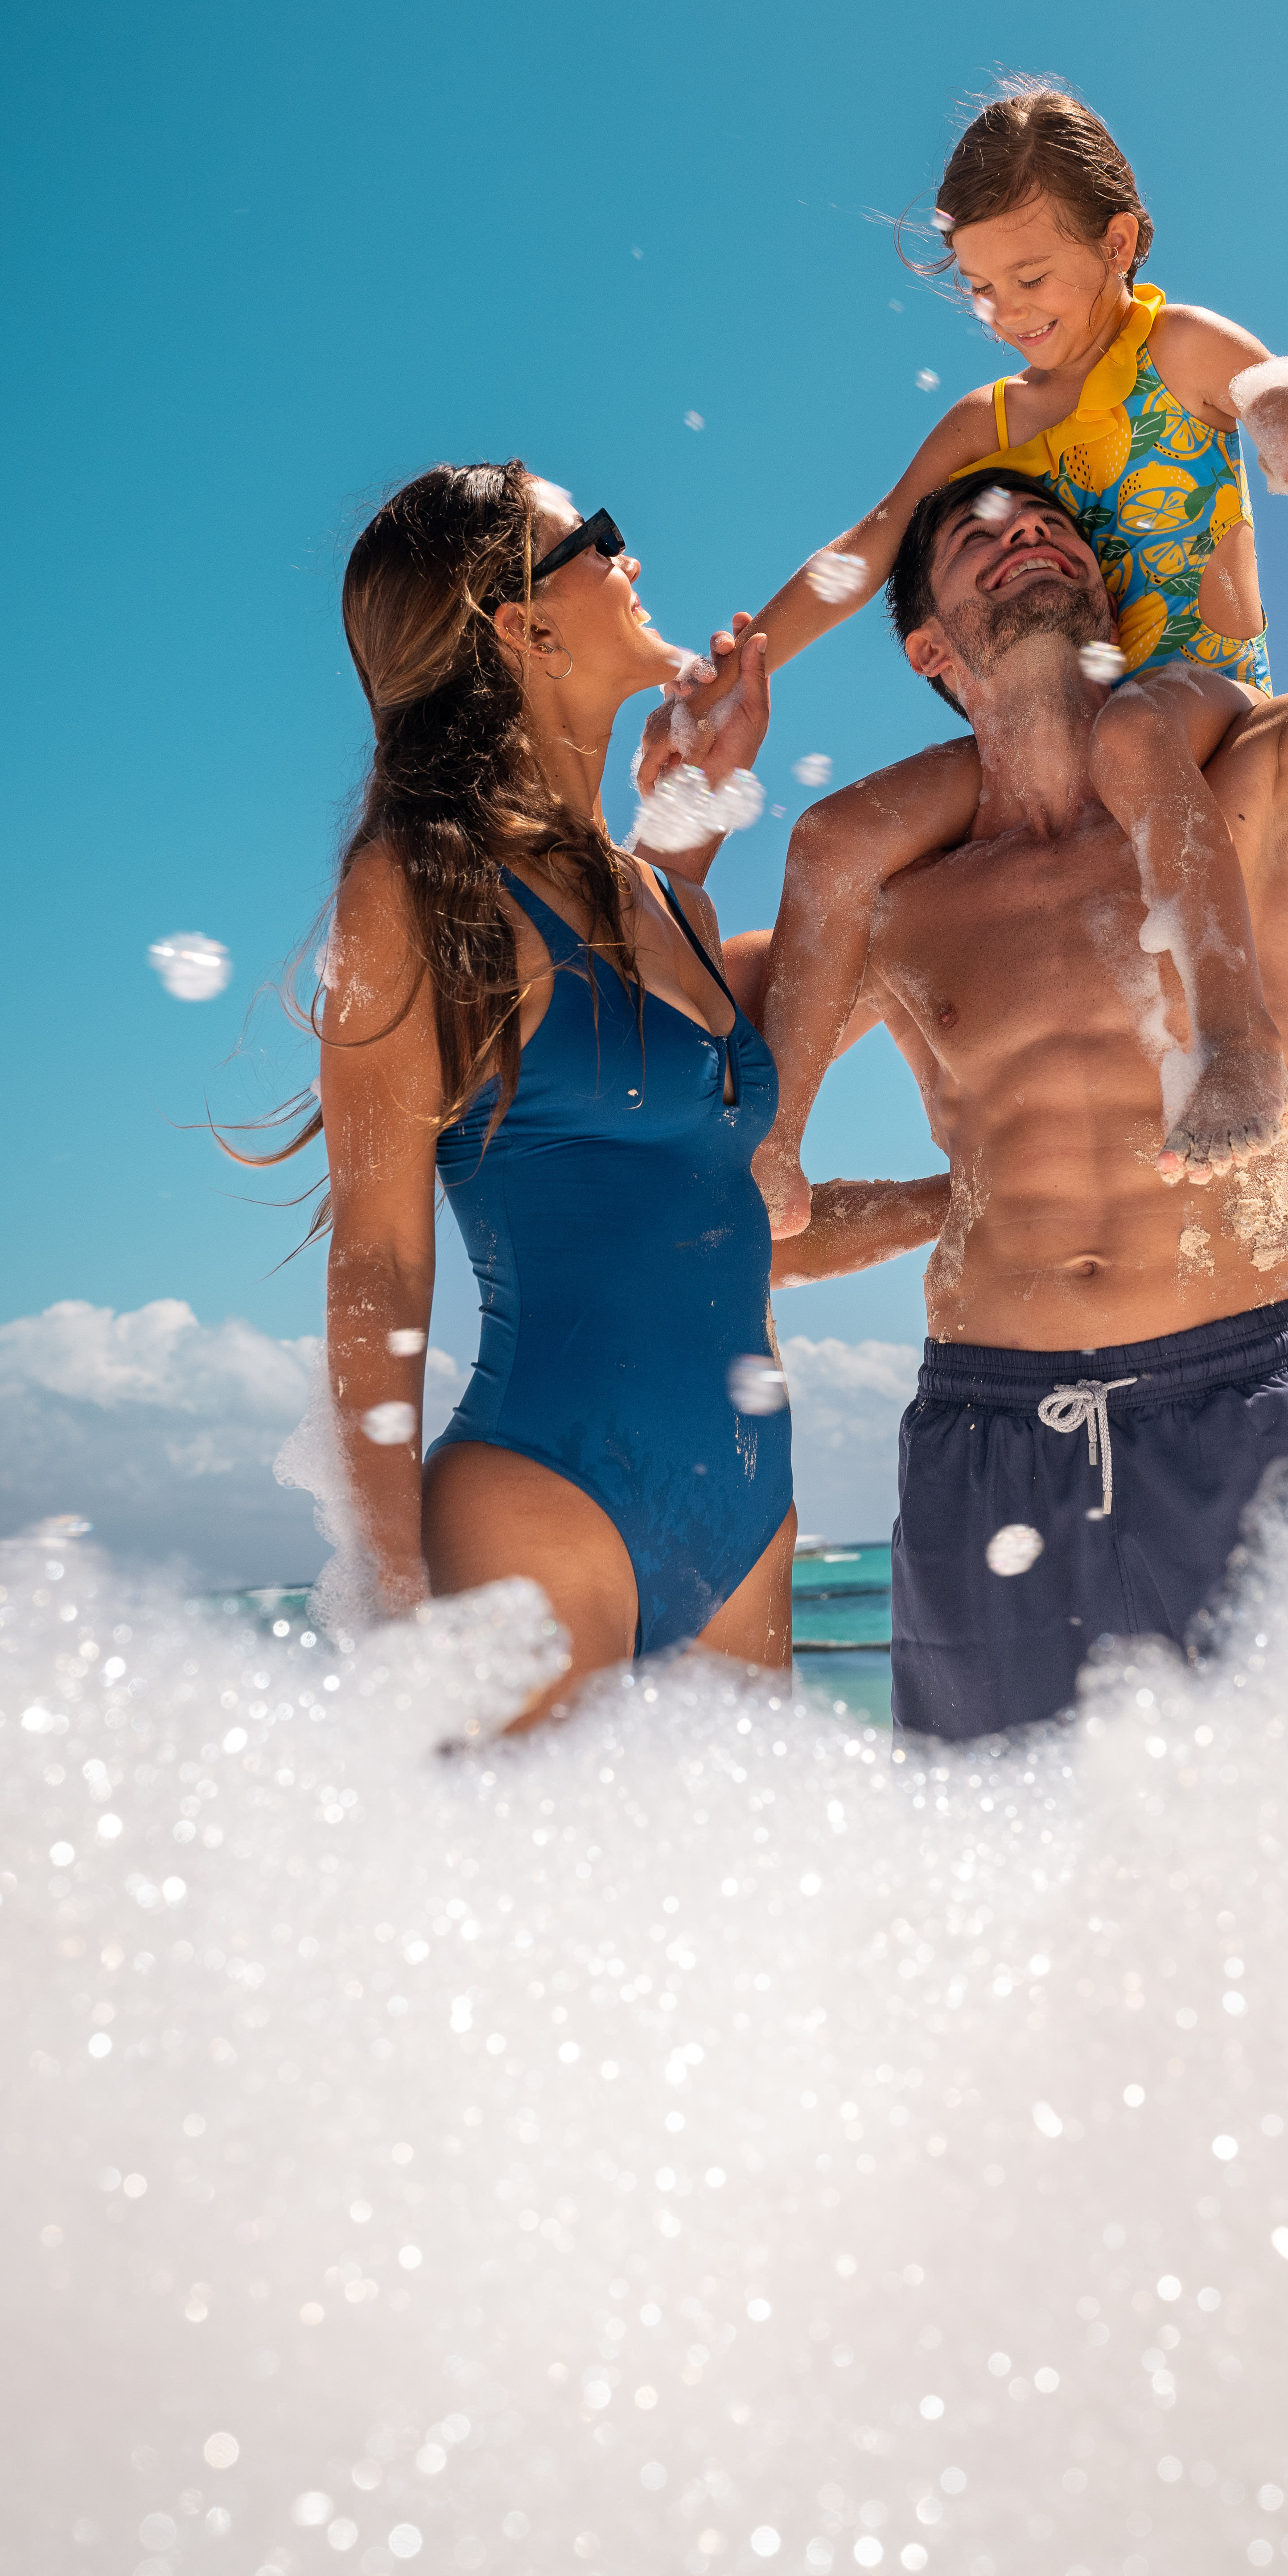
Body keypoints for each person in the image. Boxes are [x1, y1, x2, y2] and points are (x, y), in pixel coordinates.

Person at [830, 364, 1288, 1740]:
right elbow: (712, 1134)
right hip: (983, 1436)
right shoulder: (898, 906)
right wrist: (937, 1207)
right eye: (976, 531)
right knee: (999, 1896)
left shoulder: (1257, 794)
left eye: (1048, 524)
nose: (1022, 531)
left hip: (1240, 1409)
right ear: (929, 648)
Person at [288, 462, 946, 1727]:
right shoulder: (417, 886)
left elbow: (703, 1200)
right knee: (523, 1919)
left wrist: (971, 1198)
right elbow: (378, 1266)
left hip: (748, 1511)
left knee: (739, 1927)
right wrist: (389, 1591)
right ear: (518, 625)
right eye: (594, 538)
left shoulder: (661, 897)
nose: (629, 557)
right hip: (540, 1498)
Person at [740, 82, 1288, 1233]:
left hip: (1195, 704)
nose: (1007, 312)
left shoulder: (1180, 347)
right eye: (982, 289)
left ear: (1119, 242)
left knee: (1132, 731)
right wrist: (747, 659)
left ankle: (1236, 1046)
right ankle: (767, 1146)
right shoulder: (989, 424)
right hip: (1049, 726)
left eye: (1032, 278)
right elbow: (871, 544)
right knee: (838, 837)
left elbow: (1278, 397)